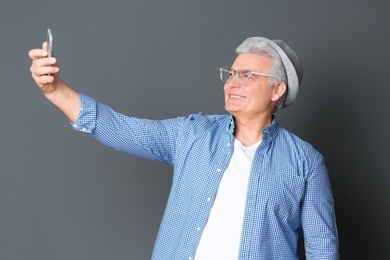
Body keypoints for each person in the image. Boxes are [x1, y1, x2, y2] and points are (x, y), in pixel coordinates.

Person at [29, 36, 339, 259]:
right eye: (230, 74)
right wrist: (55, 90)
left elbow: (322, 248)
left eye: (247, 76)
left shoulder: (306, 163)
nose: (232, 83)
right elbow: (120, 128)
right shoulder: (192, 134)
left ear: (277, 89)